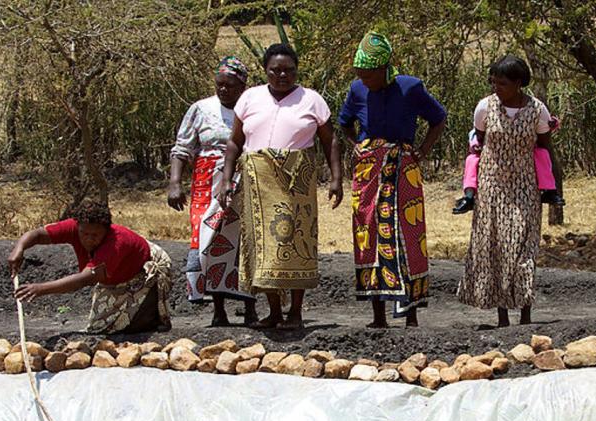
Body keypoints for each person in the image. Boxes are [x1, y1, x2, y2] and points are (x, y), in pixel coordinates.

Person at [220, 43, 343, 330]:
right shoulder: (250, 98)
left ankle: (296, 313)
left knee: (297, 240)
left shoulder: (312, 100)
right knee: (264, 245)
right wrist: (226, 178)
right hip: (257, 182)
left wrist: (337, 178)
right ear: (265, 71)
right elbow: (234, 142)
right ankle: (274, 311)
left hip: (296, 181)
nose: (282, 75)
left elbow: (330, 141)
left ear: (296, 71)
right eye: (275, 70)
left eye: (288, 70)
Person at [338, 31, 446, 328]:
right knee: (368, 234)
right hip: (369, 173)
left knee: (408, 236)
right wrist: (357, 148)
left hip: (403, 171)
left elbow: (438, 117)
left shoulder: (410, 88)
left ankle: (411, 315)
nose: (365, 81)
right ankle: (378, 317)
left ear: (385, 68)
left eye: (370, 75)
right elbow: (345, 123)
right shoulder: (357, 90)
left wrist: (422, 150)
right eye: (361, 75)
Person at [456, 56, 554, 328]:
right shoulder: (485, 108)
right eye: (494, 81)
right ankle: (501, 314)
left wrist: (549, 187)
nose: (496, 87)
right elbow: (478, 146)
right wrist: (471, 190)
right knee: (496, 246)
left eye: (503, 83)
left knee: (524, 245)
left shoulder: (537, 110)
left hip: (525, 185)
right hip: (492, 185)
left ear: (519, 84)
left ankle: (525, 310)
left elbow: (543, 147)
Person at [168, 56, 258, 327]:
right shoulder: (200, 109)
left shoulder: (253, 109)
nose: (223, 90)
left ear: (242, 87)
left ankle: (250, 307)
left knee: (244, 241)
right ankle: (218, 309)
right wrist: (175, 183)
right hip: (206, 183)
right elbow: (182, 148)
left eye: (230, 86)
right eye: (219, 85)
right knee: (209, 240)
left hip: (244, 180)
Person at [7, 200, 172, 333]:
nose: (88, 239)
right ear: (77, 227)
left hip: (142, 268)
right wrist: (19, 248)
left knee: (125, 327)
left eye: (95, 235)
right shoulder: (74, 226)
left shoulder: (115, 243)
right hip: (113, 275)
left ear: (106, 232)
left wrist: (40, 289)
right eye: (84, 234)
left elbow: (84, 279)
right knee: (100, 326)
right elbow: (38, 234)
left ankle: (150, 314)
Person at [453, 115, 564, 215]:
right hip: (493, 157)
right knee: (471, 160)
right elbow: (474, 139)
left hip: (524, 152)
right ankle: (469, 197)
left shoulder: (527, 114)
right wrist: (478, 145)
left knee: (542, 153)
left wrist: (552, 123)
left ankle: (550, 190)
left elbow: (543, 128)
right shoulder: (483, 122)